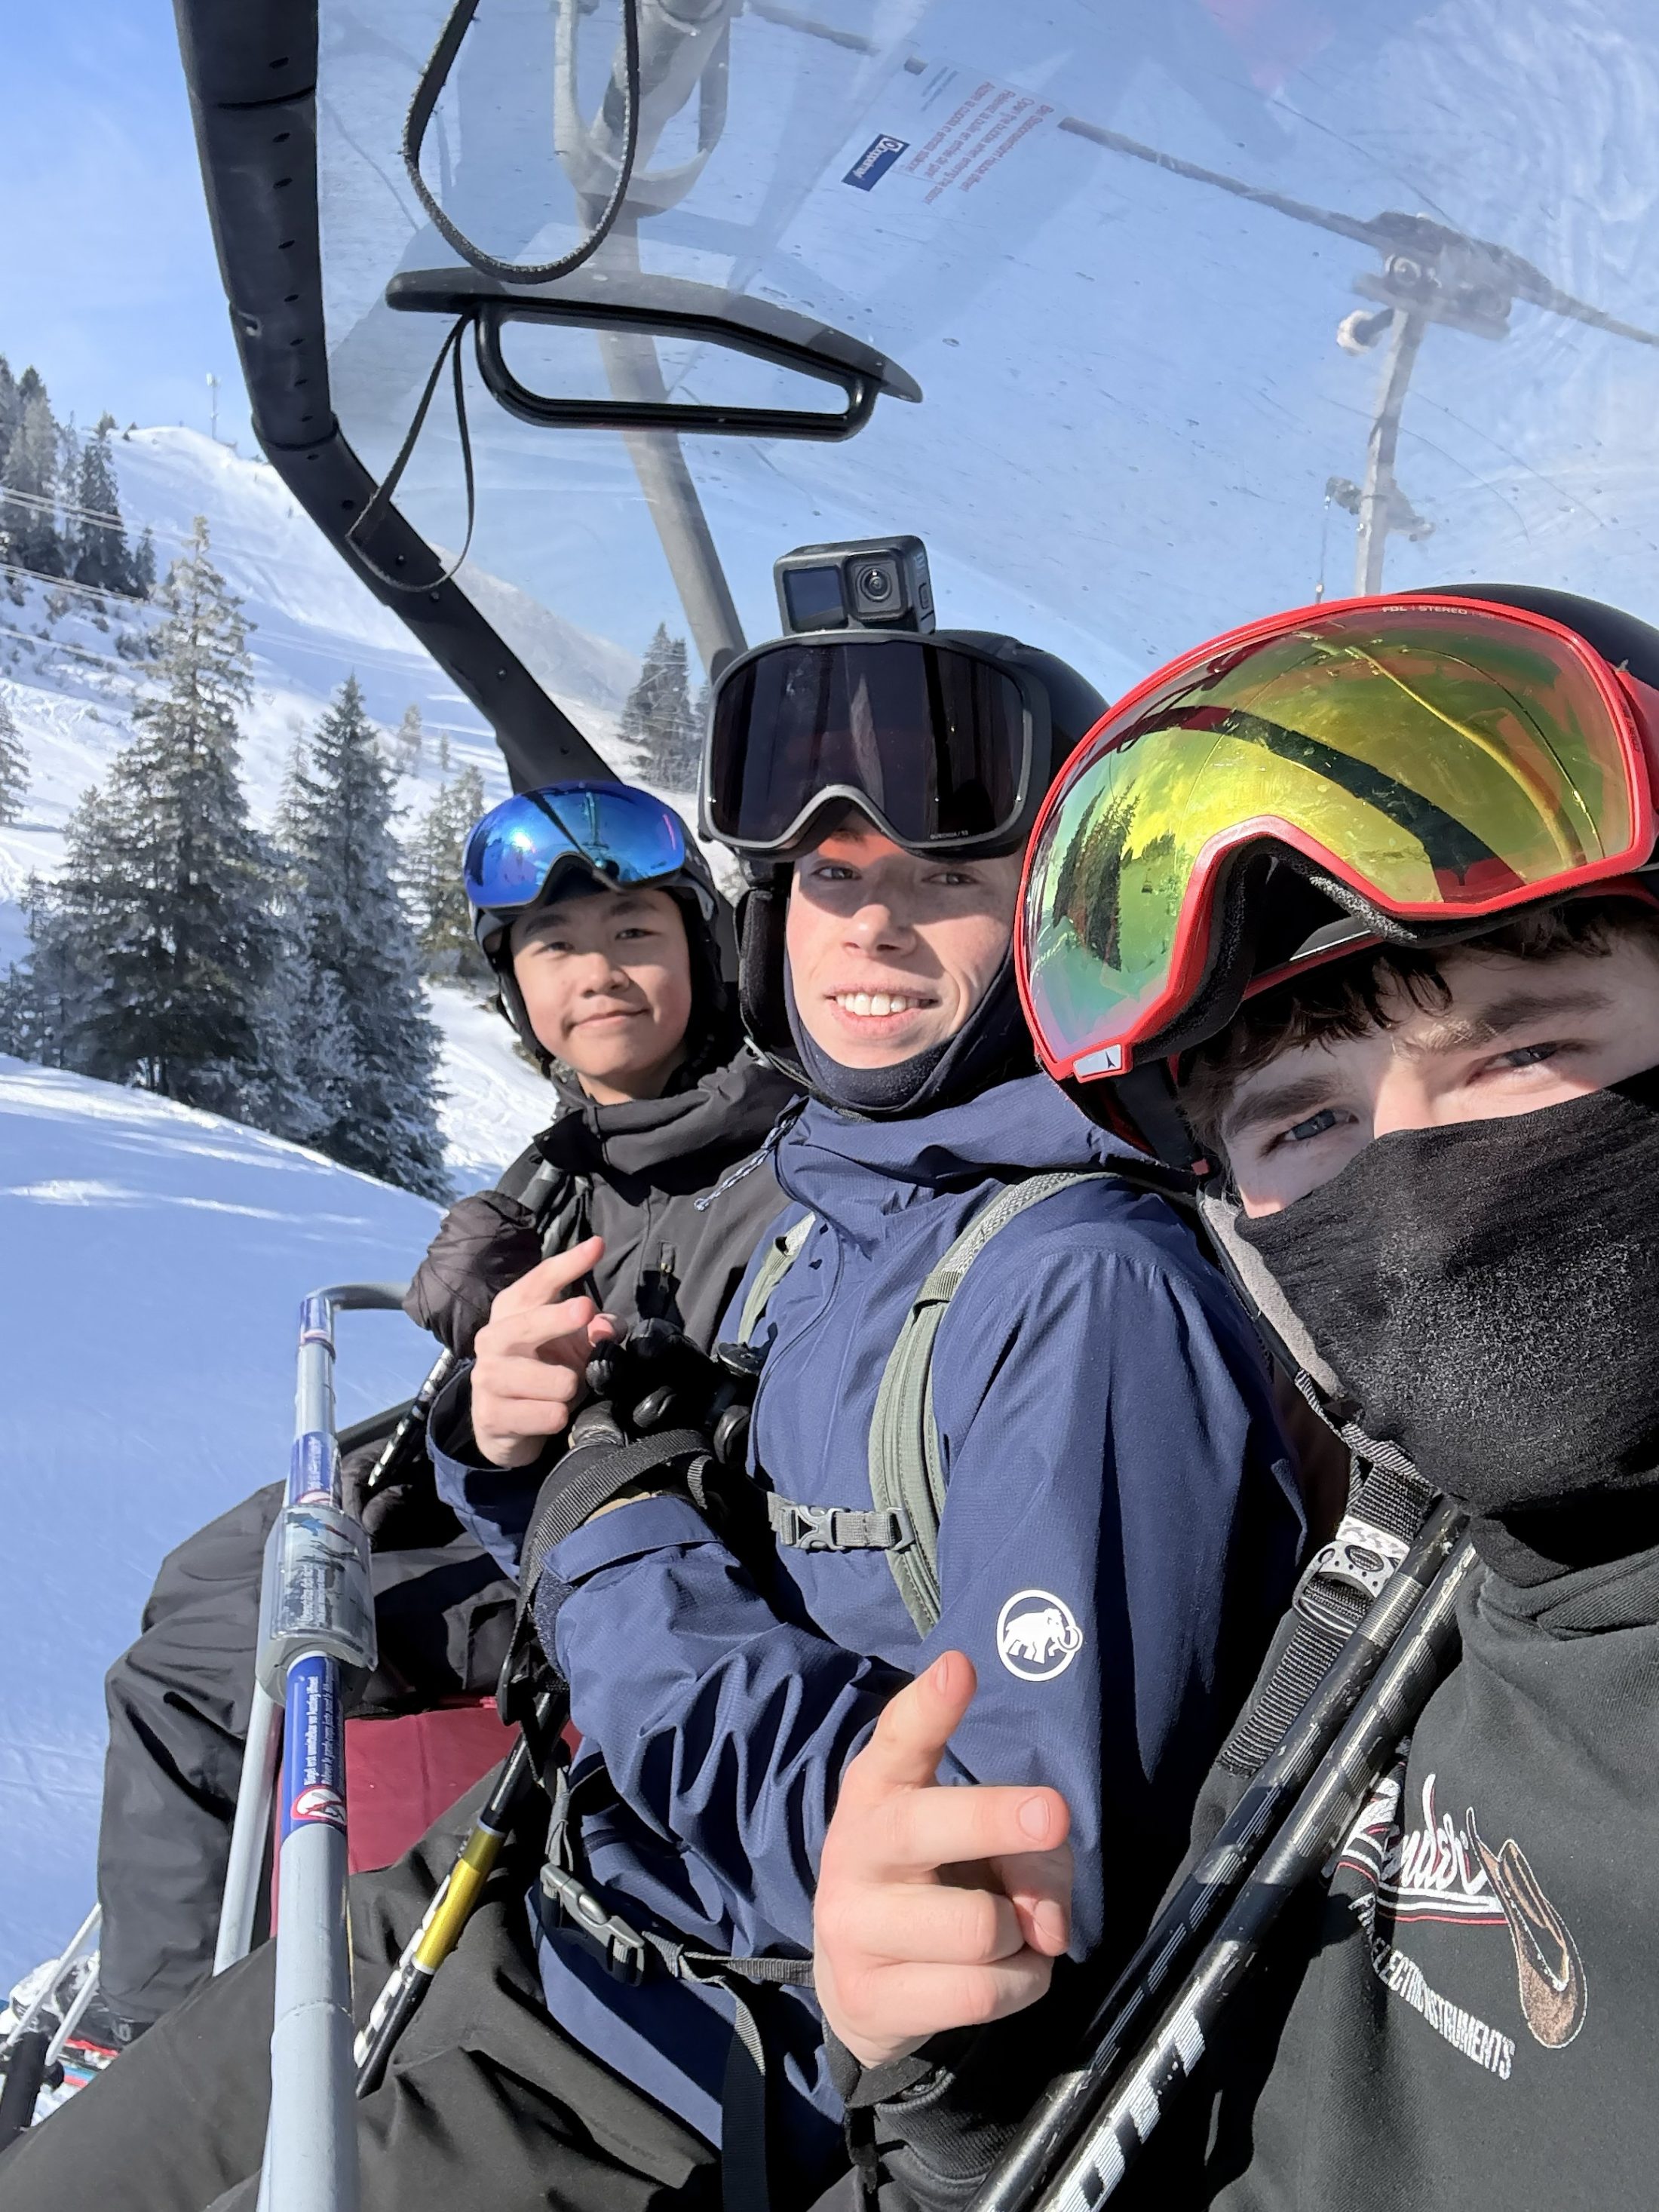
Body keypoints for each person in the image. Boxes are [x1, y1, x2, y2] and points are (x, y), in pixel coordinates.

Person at [0, 619, 1302, 2212]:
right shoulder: (838, 1208)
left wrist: (608, 1530)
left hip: (679, 2051)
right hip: (510, 1881)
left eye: (945, 877)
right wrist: (507, 1452)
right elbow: (624, 1540)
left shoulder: (1086, 1289)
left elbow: (969, 1883)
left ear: (1050, 918)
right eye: (831, 877)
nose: (871, 923)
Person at [808, 583, 1659, 2211]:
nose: (1419, 1187)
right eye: (1305, 1126)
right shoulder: (1402, 1582)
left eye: (1519, 1051)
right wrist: (958, 2094)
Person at [75, 778, 794, 2048]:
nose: (598, 971)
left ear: (703, 949)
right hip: (513, 1486)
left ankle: (152, 2036)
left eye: (634, 932)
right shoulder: (592, 1147)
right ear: (516, 989)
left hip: (612, 1549)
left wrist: (570, 1376)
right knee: (207, 1569)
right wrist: (485, 1322)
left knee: (186, 1674)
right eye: (555, 945)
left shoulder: (762, 1148)